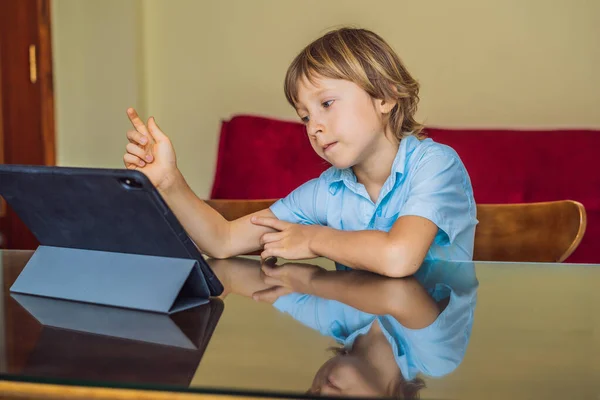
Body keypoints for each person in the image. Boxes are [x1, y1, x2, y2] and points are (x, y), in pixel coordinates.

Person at [123, 27, 477, 277]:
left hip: (427, 358)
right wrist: (170, 181)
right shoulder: (327, 191)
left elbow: (399, 257)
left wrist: (314, 239)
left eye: (326, 103)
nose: (313, 127)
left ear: (384, 97)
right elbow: (224, 240)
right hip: (361, 343)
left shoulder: (435, 165)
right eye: (305, 117)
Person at [208, 256, 478, 398]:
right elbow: (400, 295)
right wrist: (311, 280)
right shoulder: (437, 358)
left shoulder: (333, 318)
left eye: (311, 397)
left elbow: (225, 274)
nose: (322, 390)